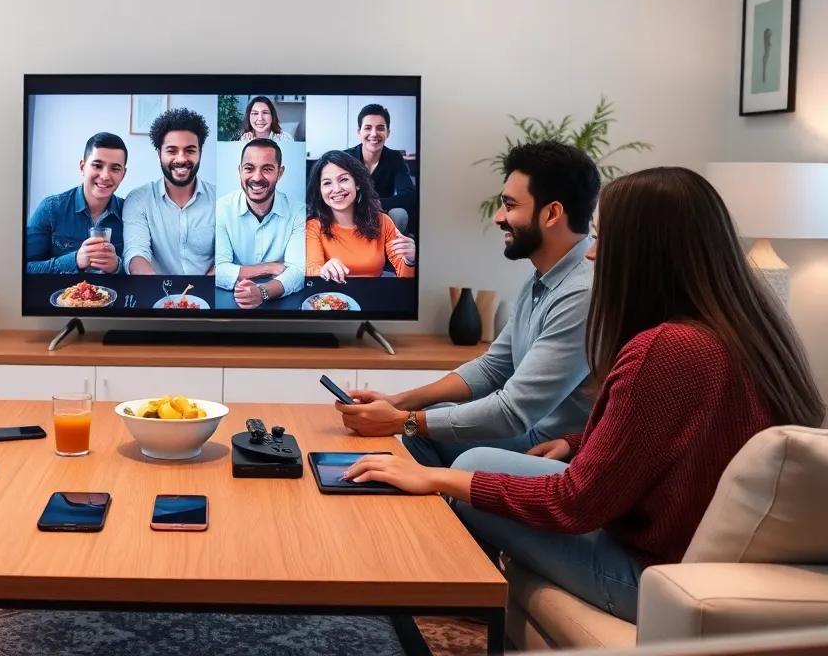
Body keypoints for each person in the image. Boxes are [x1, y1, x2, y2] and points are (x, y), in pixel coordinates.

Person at [339, 166, 825, 623]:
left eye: (604, 238)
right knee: (469, 459)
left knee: (467, 469)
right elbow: (681, 434)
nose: (592, 253)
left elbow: (575, 504)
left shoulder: (668, 349)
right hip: (672, 548)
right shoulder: (744, 329)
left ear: (645, 251)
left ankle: (441, 597)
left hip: (651, 576)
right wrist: (576, 442)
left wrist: (434, 478)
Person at [336, 141, 600, 467]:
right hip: (533, 432)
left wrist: (401, 420)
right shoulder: (544, 278)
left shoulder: (581, 292)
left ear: (552, 213)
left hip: (551, 452)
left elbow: (513, 412)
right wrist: (399, 402)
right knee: (427, 420)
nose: (499, 217)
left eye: (510, 205)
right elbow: (493, 368)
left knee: (426, 432)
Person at [122, 108, 217, 275]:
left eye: (190, 150)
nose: (181, 159)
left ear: (200, 153)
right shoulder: (139, 199)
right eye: (172, 151)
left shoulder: (219, 199)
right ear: (159, 154)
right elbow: (136, 254)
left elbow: (224, 257)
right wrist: (164, 297)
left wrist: (203, 288)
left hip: (207, 292)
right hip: (156, 291)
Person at [214, 138, 306, 308]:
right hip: (231, 300)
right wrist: (268, 268)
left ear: (280, 173)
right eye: (249, 168)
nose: (257, 177)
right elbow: (218, 270)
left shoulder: (298, 212)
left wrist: (262, 291)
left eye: (267, 169)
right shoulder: (221, 208)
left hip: (281, 301)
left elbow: (298, 271)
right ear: (240, 171)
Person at [25, 132, 126, 274]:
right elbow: (24, 268)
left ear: (123, 174)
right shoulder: (51, 208)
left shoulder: (130, 212)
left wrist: (117, 267)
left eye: (115, 169)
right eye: (97, 165)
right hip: (59, 294)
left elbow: (138, 272)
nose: (105, 176)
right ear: (82, 167)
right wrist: (74, 261)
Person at [305, 150, 414, 281]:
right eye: (327, 183)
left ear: (357, 184)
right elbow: (312, 269)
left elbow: (404, 275)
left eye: (343, 179)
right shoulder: (313, 226)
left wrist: (410, 260)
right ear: (320, 190)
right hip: (332, 298)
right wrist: (323, 271)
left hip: (373, 297)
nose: (337, 189)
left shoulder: (383, 221)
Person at [344, 104, 415, 233]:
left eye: (380, 128)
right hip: (351, 213)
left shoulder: (395, 157)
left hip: (382, 212)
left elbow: (409, 195)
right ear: (359, 132)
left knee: (399, 214)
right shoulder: (346, 157)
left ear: (388, 132)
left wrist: (376, 204)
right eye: (368, 128)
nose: (374, 134)